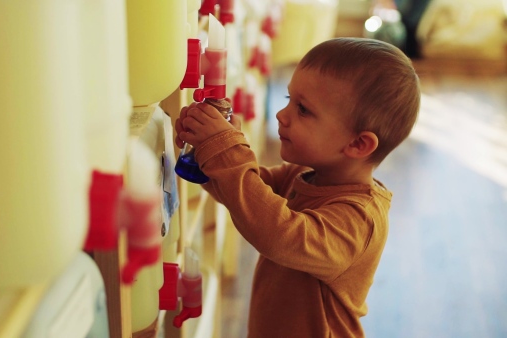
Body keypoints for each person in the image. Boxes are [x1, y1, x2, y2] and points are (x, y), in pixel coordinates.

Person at [174, 37, 420, 337]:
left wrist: (225, 152)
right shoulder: (304, 176)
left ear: (358, 143)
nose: (282, 115)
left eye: (302, 109)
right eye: (288, 99)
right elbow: (248, 193)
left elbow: (280, 234)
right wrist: (207, 152)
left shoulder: (358, 220)